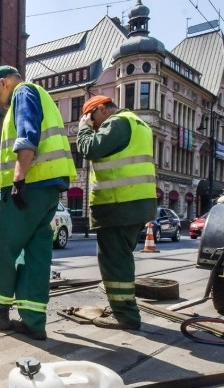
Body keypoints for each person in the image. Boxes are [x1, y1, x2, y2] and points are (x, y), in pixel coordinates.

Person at [0, 65, 76, 340]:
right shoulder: (44, 97)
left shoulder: (23, 92)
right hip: (49, 188)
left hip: (28, 186)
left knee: (2, 247)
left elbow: (27, 135)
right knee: (36, 252)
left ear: (4, 83)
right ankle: (33, 321)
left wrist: (18, 179)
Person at [76, 95, 157, 330]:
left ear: (101, 109)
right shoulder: (139, 124)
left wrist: (83, 129)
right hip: (137, 203)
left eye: (93, 119)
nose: (94, 125)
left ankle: (125, 315)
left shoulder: (118, 122)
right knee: (121, 258)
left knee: (115, 262)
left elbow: (90, 148)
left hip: (119, 203)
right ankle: (124, 309)